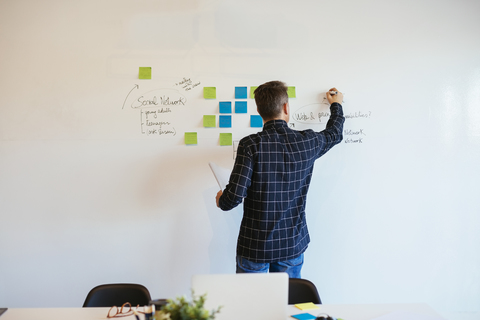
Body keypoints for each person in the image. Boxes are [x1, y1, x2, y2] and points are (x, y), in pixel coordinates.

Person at [215, 81, 345, 278]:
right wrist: (336, 104)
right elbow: (335, 134)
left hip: (254, 246)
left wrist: (221, 199)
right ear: (286, 107)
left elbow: (232, 198)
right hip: (291, 244)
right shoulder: (307, 142)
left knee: (250, 305)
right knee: (289, 304)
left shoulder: (250, 145)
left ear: (259, 110)